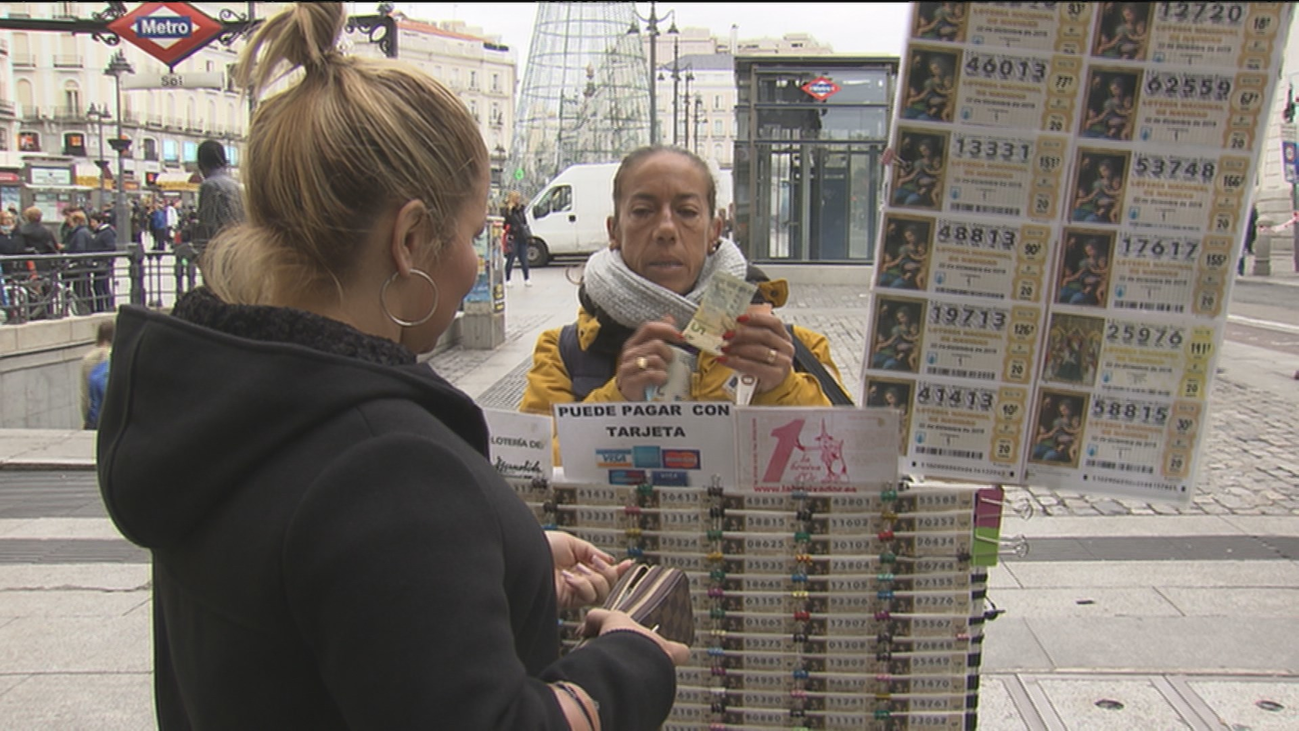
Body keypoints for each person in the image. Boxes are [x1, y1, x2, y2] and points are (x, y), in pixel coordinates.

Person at [94, 5, 685, 730]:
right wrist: (628, 662)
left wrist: (508, 562)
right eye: (471, 235)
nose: (476, 263)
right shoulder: (388, 464)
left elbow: (319, 591)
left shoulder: (222, 406)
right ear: (409, 239)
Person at [520, 145, 848, 419]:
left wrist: (783, 389)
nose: (666, 229)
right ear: (614, 231)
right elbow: (531, 466)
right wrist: (616, 399)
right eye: (643, 211)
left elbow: (847, 455)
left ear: (714, 232)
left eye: (687, 212)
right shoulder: (564, 353)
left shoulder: (794, 348)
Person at [194, 138, 245, 273]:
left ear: (201, 163)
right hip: (239, 249)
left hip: (219, 253)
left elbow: (208, 224)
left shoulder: (209, 186)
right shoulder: (235, 185)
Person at [80, 320, 114, 429]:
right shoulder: (115, 356)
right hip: (111, 417)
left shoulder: (87, 359)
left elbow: (84, 396)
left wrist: (87, 419)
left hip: (95, 418)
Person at [502, 190, 532, 287]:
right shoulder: (508, 210)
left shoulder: (521, 210)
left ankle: (527, 278)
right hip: (513, 237)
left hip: (522, 237)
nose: (519, 200)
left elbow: (524, 222)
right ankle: (508, 279)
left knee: (524, 259)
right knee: (510, 259)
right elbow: (505, 224)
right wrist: (512, 227)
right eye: (517, 198)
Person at [88, 212, 117, 312]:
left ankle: (106, 306)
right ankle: (103, 306)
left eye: (93, 222)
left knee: (102, 285)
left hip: (103, 263)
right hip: (99, 263)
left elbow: (111, 247)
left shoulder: (106, 233)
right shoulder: (99, 232)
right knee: (99, 285)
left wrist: (99, 254)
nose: (91, 224)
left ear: (100, 222)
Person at [1238, 204, 1258, 276]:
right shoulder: (1250, 209)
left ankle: (1240, 270)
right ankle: (1240, 270)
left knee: (1240, 251)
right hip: (1244, 232)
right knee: (1241, 251)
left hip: (1243, 232)